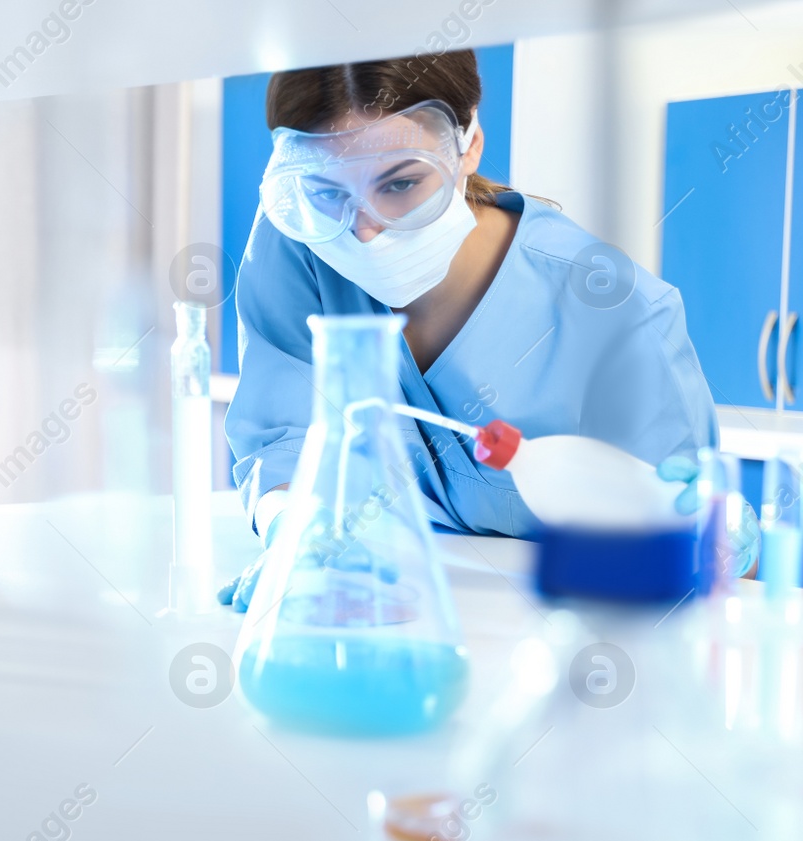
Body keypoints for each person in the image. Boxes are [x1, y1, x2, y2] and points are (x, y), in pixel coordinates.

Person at [219, 52, 731, 611]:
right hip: (392, 617)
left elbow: (690, 552)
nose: (362, 229)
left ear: (468, 146)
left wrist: (718, 540)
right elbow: (283, 439)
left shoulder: (614, 307)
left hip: (572, 639)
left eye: (400, 184)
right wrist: (298, 534)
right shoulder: (301, 242)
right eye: (327, 192)